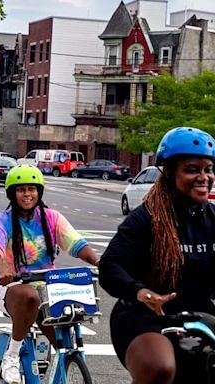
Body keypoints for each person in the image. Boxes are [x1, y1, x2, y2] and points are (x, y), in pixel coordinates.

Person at [99, 127, 215, 384]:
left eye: (208, 169)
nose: (203, 177)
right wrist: (141, 292)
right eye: (192, 169)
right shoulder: (146, 218)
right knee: (160, 368)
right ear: (169, 172)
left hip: (201, 317)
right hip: (145, 318)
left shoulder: (212, 219)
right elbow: (110, 266)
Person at [0, 164, 99, 384]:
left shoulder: (51, 217)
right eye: (21, 189)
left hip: (47, 286)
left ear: (39, 191)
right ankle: (12, 355)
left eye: (32, 189)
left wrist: (99, 262)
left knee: (64, 336)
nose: (27, 194)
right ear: (12, 193)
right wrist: (3, 270)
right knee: (29, 297)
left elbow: (76, 244)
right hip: (10, 286)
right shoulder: (3, 220)